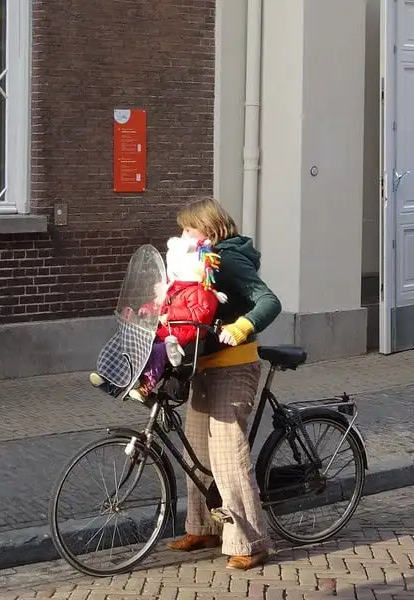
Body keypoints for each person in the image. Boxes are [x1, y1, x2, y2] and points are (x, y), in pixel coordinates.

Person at [164, 196, 282, 571]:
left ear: (210, 230)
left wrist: (241, 326)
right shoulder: (198, 263)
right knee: (195, 453)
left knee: (229, 457)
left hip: (234, 367)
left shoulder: (226, 259)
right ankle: (203, 527)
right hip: (205, 367)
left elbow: (268, 301)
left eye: (188, 229)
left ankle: (252, 541)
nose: (182, 235)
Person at [127, 235, 227, 403]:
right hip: (170, 330)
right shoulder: (174, 287)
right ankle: (123, 376)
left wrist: (171, 315)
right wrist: (148, 309)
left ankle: (146, 386)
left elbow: (199, 313)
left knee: (158, 350)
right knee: (140, 342)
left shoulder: (201, 291)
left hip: (185, 334)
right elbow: (162, 304)